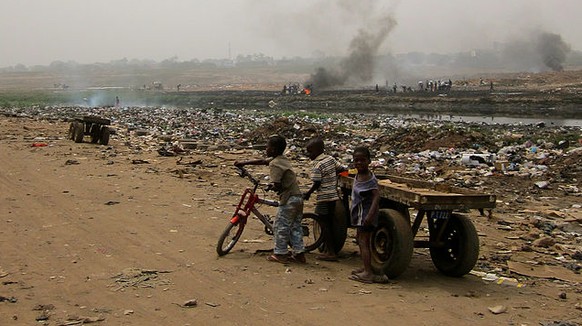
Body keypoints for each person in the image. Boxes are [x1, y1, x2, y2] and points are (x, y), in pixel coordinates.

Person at [234, 135, 306, 264]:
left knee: (280, 226)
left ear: (273, 149)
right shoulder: (281, 159)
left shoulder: (275, 164)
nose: (266, 149)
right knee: (295, 226)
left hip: (288, 198)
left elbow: (277, 185)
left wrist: (271, 186)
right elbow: (262, 161)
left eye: (267, 147)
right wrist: (243, 163)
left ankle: (280, 254)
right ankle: (299, 254)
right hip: (297, 197)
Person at [348, 146, 388, 284]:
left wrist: (370, 216)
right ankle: (366, 267)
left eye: (362, 160)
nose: (359, 163)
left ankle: (368, 273)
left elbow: (376, 197)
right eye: (356, 160)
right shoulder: (358, 174)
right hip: (360, 214)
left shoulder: (369, 178)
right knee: (361, 240)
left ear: (369, 161)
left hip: (365, 215)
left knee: (364, 242)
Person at [303, 137, 346, 261]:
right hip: (334, 196)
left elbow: (317, 183)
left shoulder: (317, 165)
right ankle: (329, 250)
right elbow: (342, 169)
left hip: (324, 198)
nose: (309, 155)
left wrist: (308, 193)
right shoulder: (330, 159)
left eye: (310, 152)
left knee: (324, 225)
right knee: (330, 223)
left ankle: (331, 252)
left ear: (317, 151)